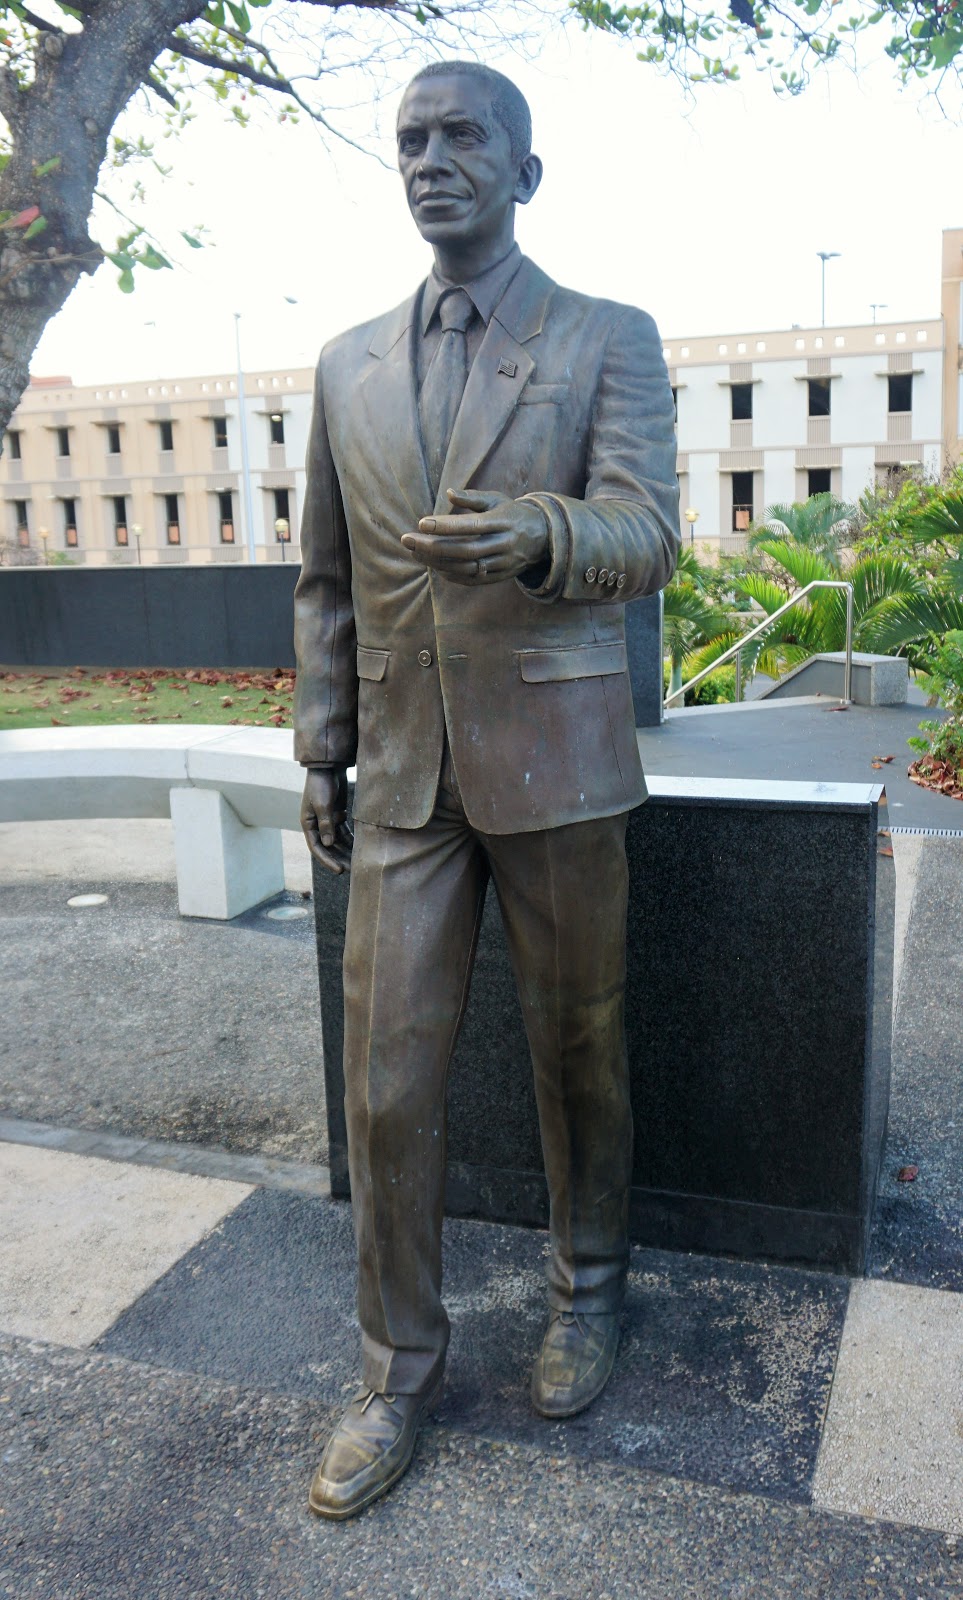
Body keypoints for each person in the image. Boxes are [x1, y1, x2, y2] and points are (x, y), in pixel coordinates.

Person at [294, 58, 680, 1520]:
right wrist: (319, 739)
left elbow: (649, 533)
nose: (431, 159)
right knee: (385, 1084)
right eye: (411, 140)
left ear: (527, 170)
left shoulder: (603, 338)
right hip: (403, 770)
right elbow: (324, 576)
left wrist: (540, 530)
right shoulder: (345, 364)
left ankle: (590, 1290)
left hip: (560, 756)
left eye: (464, 137)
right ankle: (396, 1369)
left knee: (579, 1050)